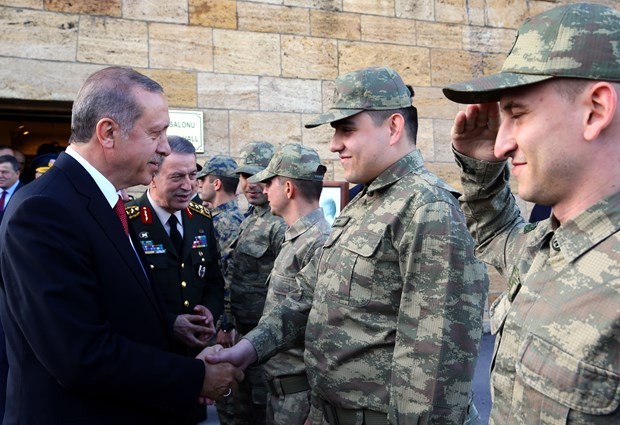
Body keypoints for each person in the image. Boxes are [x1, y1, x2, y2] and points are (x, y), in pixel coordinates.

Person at [204, 66, 488, 424]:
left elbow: (434, 363)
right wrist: (249, 348)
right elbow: (308, 293)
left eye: (346, 129)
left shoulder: (426, 207)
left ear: (394, 127)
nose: (334, 143)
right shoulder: (366, 201)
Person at [0, 66, 242, 425]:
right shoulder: (44, 209)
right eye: (156, 133)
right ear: (108, 133)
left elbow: (120, 309)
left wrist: (174, 333)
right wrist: (194, 377)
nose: (164, 147)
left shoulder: (100, 202)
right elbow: (79, 355)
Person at [442, 3, 620, 423]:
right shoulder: (547, 243)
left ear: (595, 110)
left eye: (517, 115)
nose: (501, 145)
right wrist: (481, 167)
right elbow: (494, 234)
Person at [126, 135, 224, 424]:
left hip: (193, 359)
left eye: (193, 175)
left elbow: (214, 280)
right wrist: (170, 323)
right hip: (149, 361)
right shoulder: (129, 221)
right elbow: (126, 296)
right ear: (153, 176)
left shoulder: (201, 218)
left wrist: (210, 313)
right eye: (178, 176)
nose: (189, 186)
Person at [247, 143, 331, 425]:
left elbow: (326, 335)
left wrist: (317, 410)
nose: (263, 189)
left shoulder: (318, 242)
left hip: (301, 399)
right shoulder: (296, 238)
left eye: (269, 182)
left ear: (288, 189)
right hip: (280, 391)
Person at [228, 141, 287, 425]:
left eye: (258, 176)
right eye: (244, 176)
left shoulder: (280, 224)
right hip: (242, 335)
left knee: (262, 411)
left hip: (267, 344)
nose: (250, 183)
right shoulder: (247, 220)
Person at [195, 154, 244, 425]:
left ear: (215, 184)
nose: (197, 184)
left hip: (225, 326)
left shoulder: (225, 222)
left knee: (228, 402)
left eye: (201, 179)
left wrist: (225, 324)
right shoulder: (215, 217)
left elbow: (229, 277)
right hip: (219, 321)